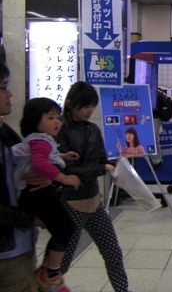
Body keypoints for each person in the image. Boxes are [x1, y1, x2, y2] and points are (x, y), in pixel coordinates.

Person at [55, 81, 130, 292]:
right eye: (85, 106)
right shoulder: (60, 130)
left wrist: (114, 168)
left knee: (112, 252)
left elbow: (102, 159)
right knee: (63, 259)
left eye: (92, 106)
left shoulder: (93, 129)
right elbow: (67, 169)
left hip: (94, 201)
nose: (90, 110)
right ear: (70, 104)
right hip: (70, 203)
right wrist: (102, 168)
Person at [13, 98, 81, 292]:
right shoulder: (40, 140)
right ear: (35, 120)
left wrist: (62, 157)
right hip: (35, 193)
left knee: (64, 227)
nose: (57, 122)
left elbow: (42, 157)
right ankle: (50, 274)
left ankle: (50, 272)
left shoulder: (39, 140)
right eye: (50, 117)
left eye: (58, 117)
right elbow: (39, 164)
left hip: (33, 193)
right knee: (66, 227)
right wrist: (64, 178)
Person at [0, 63, 53, 292]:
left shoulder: (5, 132)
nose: (10, 93)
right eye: (3, 87)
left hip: (21, 246)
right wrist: (32, 220)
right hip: (6, 253)